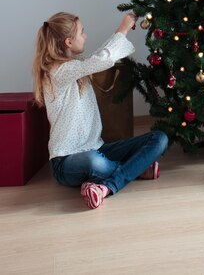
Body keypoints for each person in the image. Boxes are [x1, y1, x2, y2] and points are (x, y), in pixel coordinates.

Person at [32, 12, 168, 209]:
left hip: (97, 148)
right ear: (69, 42)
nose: (85, 36)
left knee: (159, 139)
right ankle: (121, 179)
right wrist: (122, 29)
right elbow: (99, 61)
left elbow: (98, 59)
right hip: (67, 161)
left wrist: (120, 32)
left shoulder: (75, 67)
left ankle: (106, 183)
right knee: (94, 162)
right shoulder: (57, 72)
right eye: (82, 32)